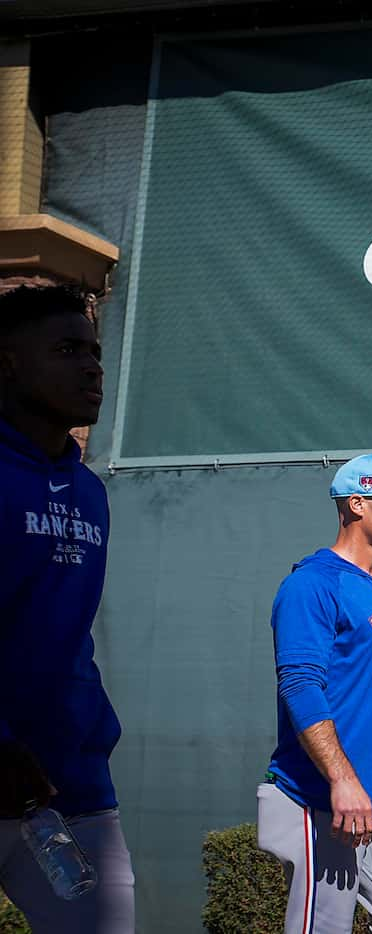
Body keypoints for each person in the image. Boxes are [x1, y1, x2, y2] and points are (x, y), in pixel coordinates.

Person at [258, 453, 372, 934]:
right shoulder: (312, 584)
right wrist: (341, 779)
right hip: (319, 799)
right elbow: (300, 685)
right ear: (357, 503)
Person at [0, 284, 135, 933]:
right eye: (65, 350)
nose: (90, 368)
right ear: (8, 364)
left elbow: (63, 634)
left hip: (70, 791)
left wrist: (84, 737)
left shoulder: (88, 492)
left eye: (96, 354)